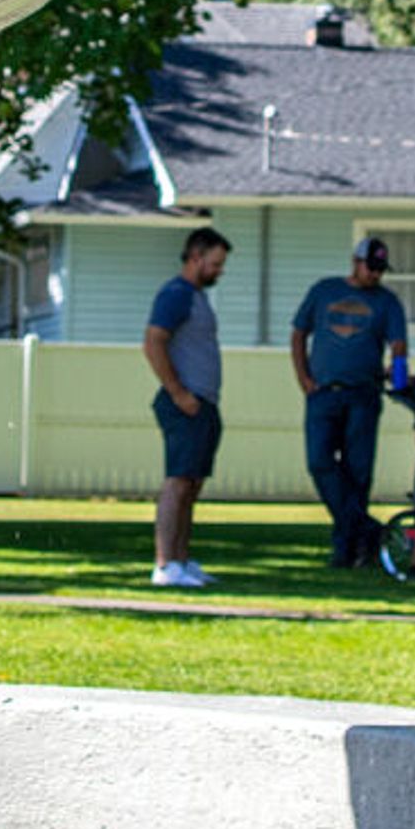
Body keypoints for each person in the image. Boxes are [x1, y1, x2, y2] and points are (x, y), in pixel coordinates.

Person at [290, 235, 408, 568]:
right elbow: (299, 333)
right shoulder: (324, 291)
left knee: (358, 472)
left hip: (363, 394)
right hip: (323, 392)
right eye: (371, 267)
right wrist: (304, 378)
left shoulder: (387, 302)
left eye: (380, 269)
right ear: (355, 262)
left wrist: (399, 380)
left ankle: (346, 549)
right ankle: (366, 529)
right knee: (319, 462)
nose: (375, 275)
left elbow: (398, 346)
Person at [141, 226, 231, 589]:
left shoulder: (196, 296)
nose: (219, 271)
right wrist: (178, 392)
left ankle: (181, 559)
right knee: (178, 483)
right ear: (195, 257)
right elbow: (153, 342)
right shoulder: (175, 294)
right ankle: (164, 565)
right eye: (215, 263)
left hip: (203, 402)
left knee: (192, 484)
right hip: (185, 404)